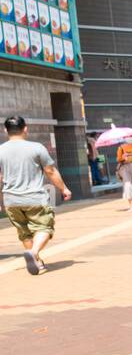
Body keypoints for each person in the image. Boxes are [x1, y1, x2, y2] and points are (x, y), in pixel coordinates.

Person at [0, 115, 72, 275]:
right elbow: (50, 171)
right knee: (45, 227)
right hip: (34, 198)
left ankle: (37, 263)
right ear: (25, 128)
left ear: (6, 130)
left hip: (11, 200)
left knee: (25, 232)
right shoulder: (36, 147)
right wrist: (64, 189)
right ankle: (33, 253)